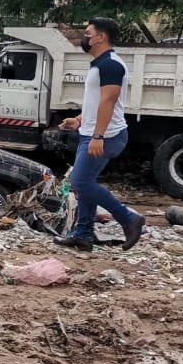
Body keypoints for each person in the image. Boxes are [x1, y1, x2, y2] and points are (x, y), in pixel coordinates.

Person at [55, 17, 145, 253]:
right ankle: (84, 235)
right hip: (93, 132)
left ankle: (129, 219)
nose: (84, 38)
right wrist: (79, 120)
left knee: (80, 182)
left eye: (88, 33)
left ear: (101, 37)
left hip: (107, 135)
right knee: (85, 184)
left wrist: (98, 136)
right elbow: (96, 102)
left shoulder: (111, 65)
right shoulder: (99, 64)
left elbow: (109, 100)